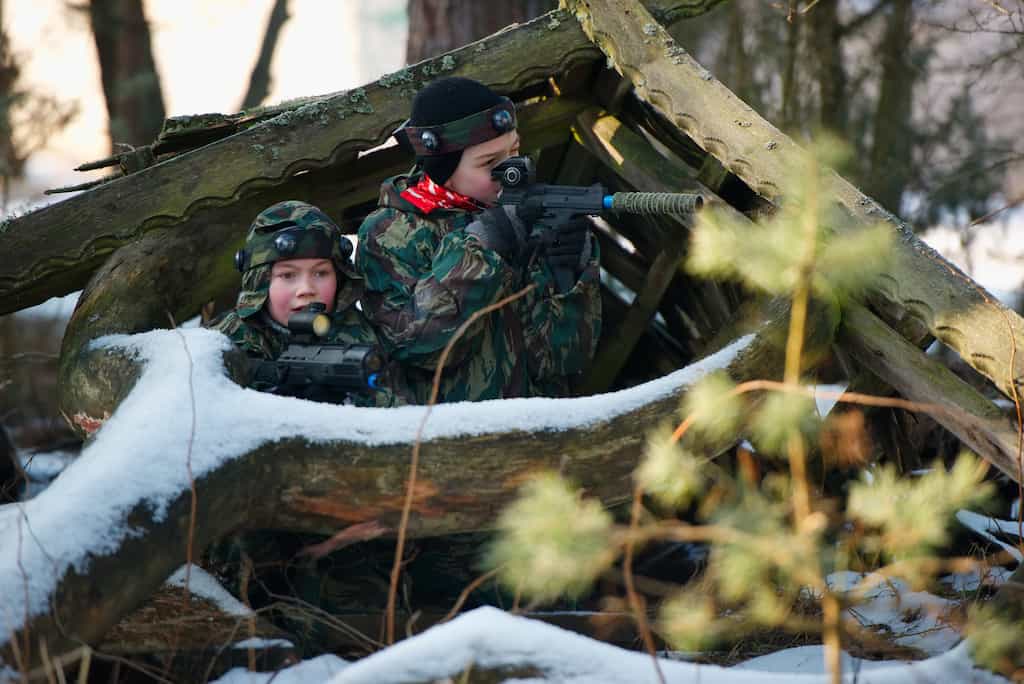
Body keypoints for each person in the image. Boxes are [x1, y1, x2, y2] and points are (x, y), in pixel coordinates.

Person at [356, 77, 601, 404]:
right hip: (449, 440)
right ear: (443, 171)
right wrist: (481, 248)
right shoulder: (389, 234)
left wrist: (571, 276)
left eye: (515, 151)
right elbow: (420, 349)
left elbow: (564, 359)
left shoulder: (524, 218)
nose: (514, 170)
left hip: (542, 431)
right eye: (490, 163)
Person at [208, 200, 404, 407]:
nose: (306, 289)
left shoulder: (358, 332)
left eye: (321, 273)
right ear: (260, 282)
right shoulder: (223, 342)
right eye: (288, 275)